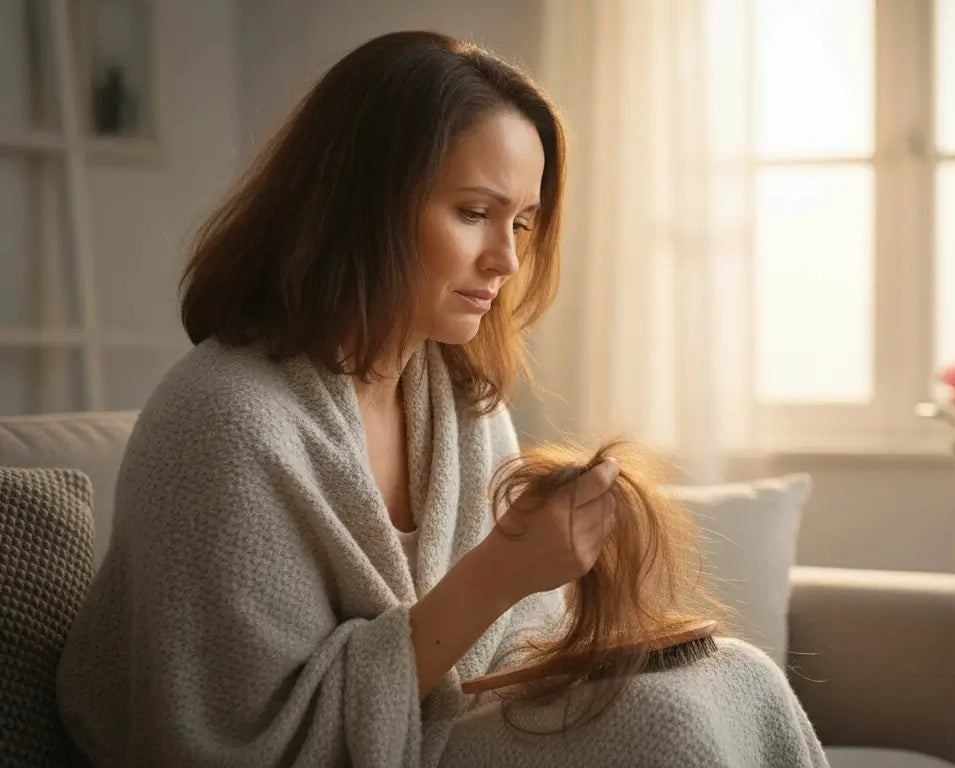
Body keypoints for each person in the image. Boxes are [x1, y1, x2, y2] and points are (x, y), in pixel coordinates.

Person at [55, 31, 826, 767]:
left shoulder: (460, 405)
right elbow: (233, 743)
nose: (507, 258)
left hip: (444, 735)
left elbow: (512, 653)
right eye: (474, 214)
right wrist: (497, 573)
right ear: (361, 205)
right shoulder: (223, 420)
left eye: (523, 221)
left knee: (737, 674)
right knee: (662, 727)